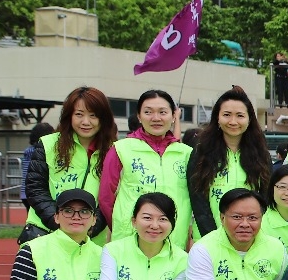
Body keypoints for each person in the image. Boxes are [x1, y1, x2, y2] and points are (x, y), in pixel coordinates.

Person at [99, 89, 193, 252]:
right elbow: (106, 196)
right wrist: (121, 225)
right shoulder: (121, 149)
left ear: (173, 116)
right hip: (130, 239)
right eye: (148, 112)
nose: (156, 118)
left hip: (174, 241)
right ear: (139, 116)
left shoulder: (186, 153)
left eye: (162, 112)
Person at [22, 86, 116, 244]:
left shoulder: (114, 152)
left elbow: (113, 197)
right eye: (79, 114)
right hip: (46, 234)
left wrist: (90, 226)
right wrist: (60, 222)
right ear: (69, 116)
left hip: (91, 240)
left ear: (103, 118)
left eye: (93, 115)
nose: (86, 122)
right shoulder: (48, 144)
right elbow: (36, 188)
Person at [188, 88, 270, 237]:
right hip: (210, 238)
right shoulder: (202, 151)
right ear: (217, 117)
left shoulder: (261, 154)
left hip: (250, 237)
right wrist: (212, 236)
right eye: (227, 115)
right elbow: (198, 200)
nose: (233, 121)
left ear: (249, 119)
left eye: (240, 115)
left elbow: (265, 196)